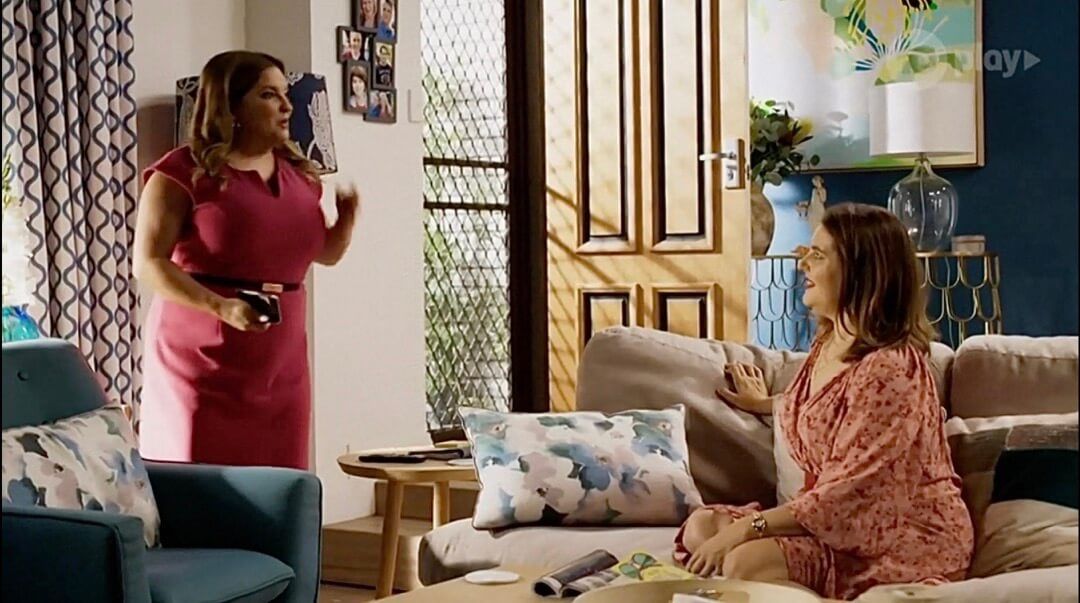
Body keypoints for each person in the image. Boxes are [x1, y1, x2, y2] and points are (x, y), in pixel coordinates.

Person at [675, 204, 973, 601]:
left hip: (896, 533)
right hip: (833, 520)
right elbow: (829, 410)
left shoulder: (891, 368)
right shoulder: (829, 341)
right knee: (704, 527)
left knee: (745, 561)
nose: (803, 264)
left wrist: (749, 527)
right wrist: (765, 403)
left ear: (859, 270)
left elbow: (852, 493)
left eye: (817, 255)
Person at [133, 51, 360, 470]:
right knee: (200, 484)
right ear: (231, 105)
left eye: (286, 94)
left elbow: (323, 255)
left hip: (281, 365)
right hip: (200, 363)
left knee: (281, 486)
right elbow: (148, 264)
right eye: (269, 95)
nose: (287, 106)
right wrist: (221, 307)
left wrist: (344, 223)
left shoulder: (301, 177)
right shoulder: (179, 173)